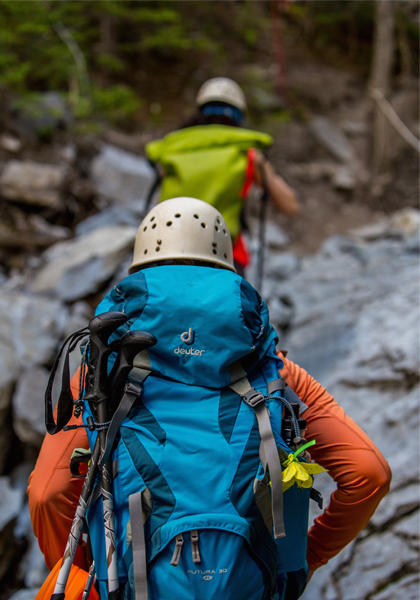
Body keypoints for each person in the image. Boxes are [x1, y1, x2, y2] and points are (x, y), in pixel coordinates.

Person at [28, 197, 391, 600]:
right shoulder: (275, 371)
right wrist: (305, 559)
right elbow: (368, 474)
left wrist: (84, 571)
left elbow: (47, 494)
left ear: (141, 265)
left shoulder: (102, 370)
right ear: (225, 265)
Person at [145, 77, 299, 274]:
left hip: (167, 255)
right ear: (238, 115)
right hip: (224, 259)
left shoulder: (171, 150)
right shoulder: (246, 153)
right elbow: (290, 206)